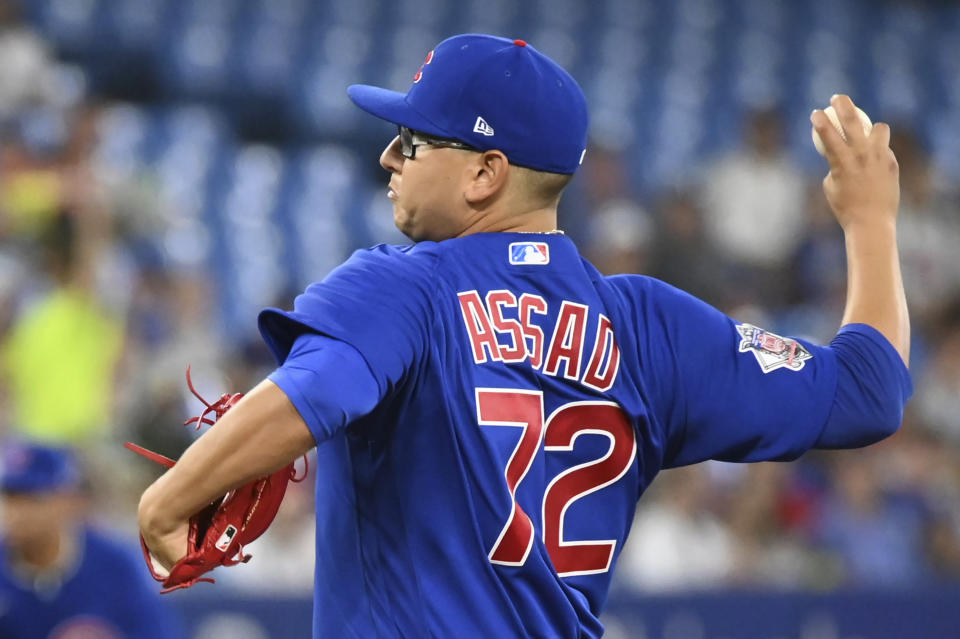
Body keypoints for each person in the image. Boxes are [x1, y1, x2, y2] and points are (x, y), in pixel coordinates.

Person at [136, 34, 912, 638]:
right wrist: (870, 222)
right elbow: (869, 392)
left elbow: (322, 389)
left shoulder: (407, 285)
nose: (388, 157)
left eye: (413, 141)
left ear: (485, 173)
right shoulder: (647, 326)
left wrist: (171, 497)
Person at [0, 441, 182, 638]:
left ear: (68, 501)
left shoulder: (114, 565)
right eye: (10, 498)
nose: (16, 512)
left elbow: (157, 632)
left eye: (32, 499)